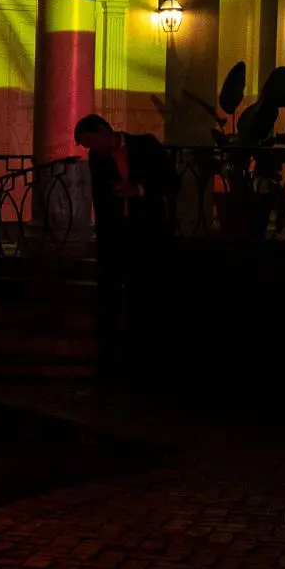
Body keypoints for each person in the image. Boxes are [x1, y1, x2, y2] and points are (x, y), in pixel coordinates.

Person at [74, 114, 178, 383]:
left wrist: (139, 190)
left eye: (91, 142)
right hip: (116, 239)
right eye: (87, 146)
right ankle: (114, 367)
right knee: (113, 301)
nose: (91, 149)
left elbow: (171, 181)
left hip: (147, 235)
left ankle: (147, 364)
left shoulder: (145, 145)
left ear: (104, 131)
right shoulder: (99, 160)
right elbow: (102, 201)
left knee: (147, 297)